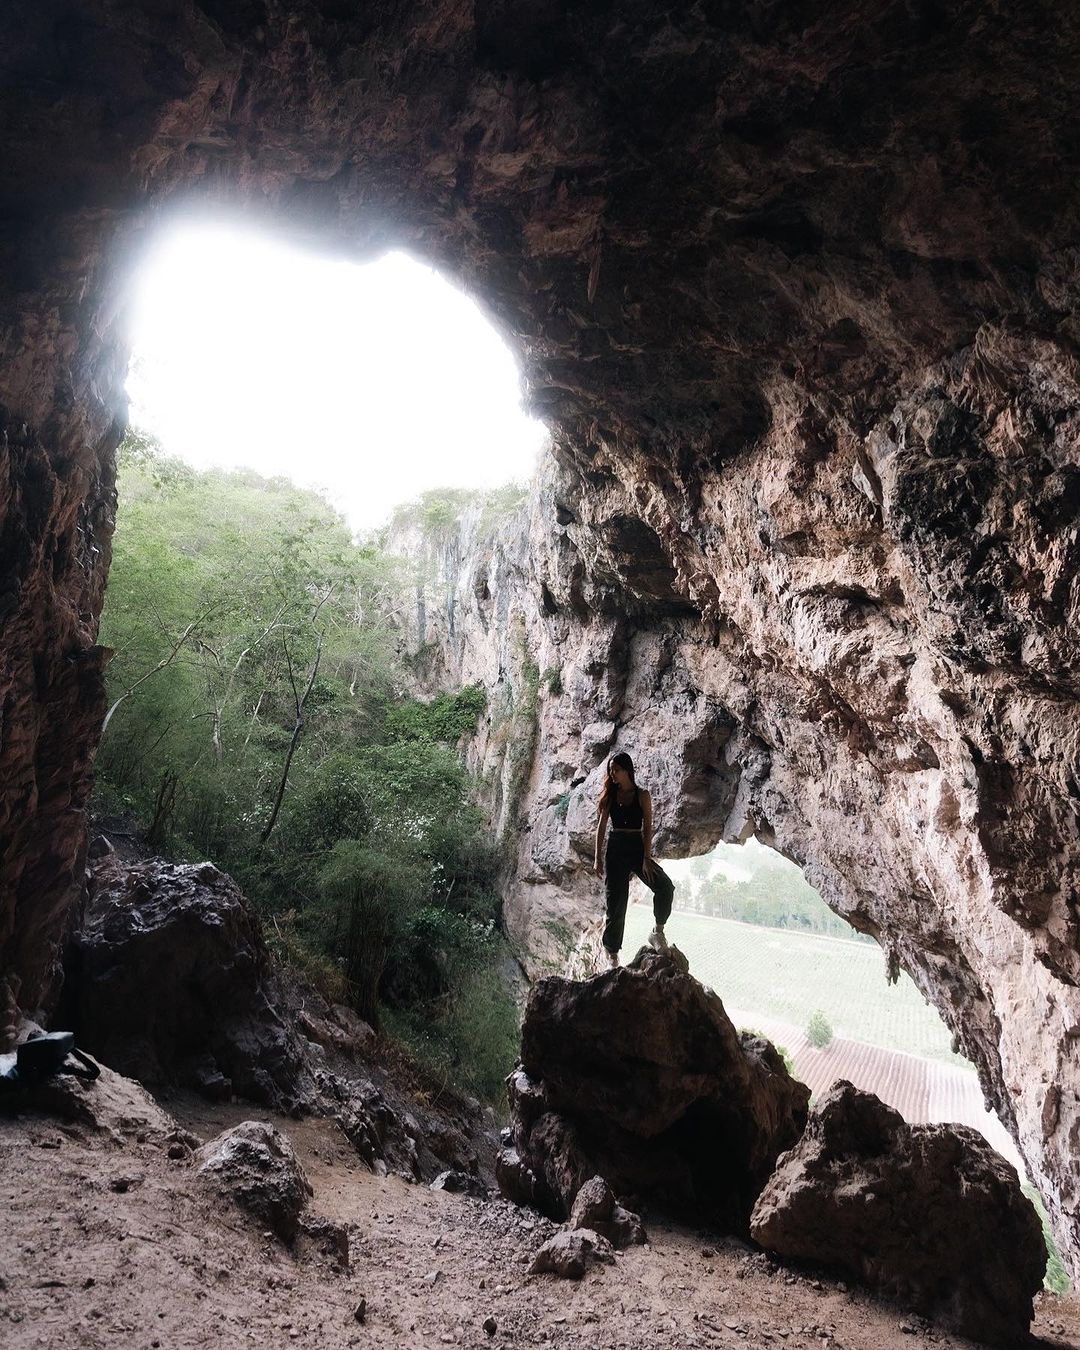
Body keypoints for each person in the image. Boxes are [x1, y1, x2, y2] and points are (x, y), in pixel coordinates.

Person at [593, 752, 675, 966]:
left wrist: (646, 858)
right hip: (616, 848)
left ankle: (658, 932)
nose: (612, 774)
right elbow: (601, 828)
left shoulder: (642, 795)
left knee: (665, 886)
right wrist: (597, 859)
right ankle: (612, 953)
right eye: (611, 770)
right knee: (616, 905)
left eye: (616, 770)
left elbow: (647, 828)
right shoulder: (611, 796)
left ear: (627, 770)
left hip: (637, 848)